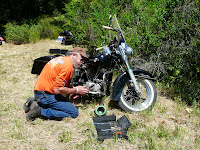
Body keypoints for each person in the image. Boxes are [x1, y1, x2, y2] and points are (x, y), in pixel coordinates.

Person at [26, 47, 89, 121]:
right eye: (81, 60)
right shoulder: (68, 67)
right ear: (74, 55)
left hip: (41, 91)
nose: (82, 63)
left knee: (66, 104)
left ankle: (35, 102)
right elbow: (57, 90)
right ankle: (40, 111)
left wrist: (73, 89)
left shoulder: (62, 59)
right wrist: (77, 90)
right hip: (45, 95)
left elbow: (59, 83)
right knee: (74, 113)